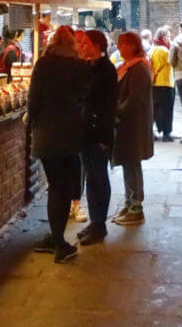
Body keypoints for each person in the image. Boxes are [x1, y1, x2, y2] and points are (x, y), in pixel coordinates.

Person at [27, 26, 89, 263]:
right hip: (71, 134)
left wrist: (31, 121)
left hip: (46, 133)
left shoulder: (43, 65)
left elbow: (33, 99)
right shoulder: (80, 67)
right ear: (72, 45)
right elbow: (85, 97)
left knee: (55, 187)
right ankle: (59, 242)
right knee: (63, 188)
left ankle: (57, 240)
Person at [76, 30, 118, 245]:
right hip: (86, 133)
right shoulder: (90, 67)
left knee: (99, 179)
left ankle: (100, 225)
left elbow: (109, 107)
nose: (81, 45)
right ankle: (94, 222)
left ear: (96, 45)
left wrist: (105, 137)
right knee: (91, 179)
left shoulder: (106, 70)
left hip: (98, 134)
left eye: (85, 42)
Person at [112, 31, 154, 225]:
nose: (119, 48)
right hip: (127, 125)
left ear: (132, 45)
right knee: (128, 163)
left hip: (133, 125)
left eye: (122, 44)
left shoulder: (138, 69)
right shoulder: (130, 67)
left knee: (133, 163)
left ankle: (136, 207)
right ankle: (130, 203)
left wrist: (116, 113)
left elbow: (133, 100)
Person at [149, 28, 175, 141]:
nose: (170, 39)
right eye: (168, 37)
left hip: (154, 83)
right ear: (163, 37)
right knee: (167, 110)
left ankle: (152, 131)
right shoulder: (164, 51)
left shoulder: (152, 49)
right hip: (165, 83)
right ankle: (166, 133)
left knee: (155, 109)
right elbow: (173, 63)